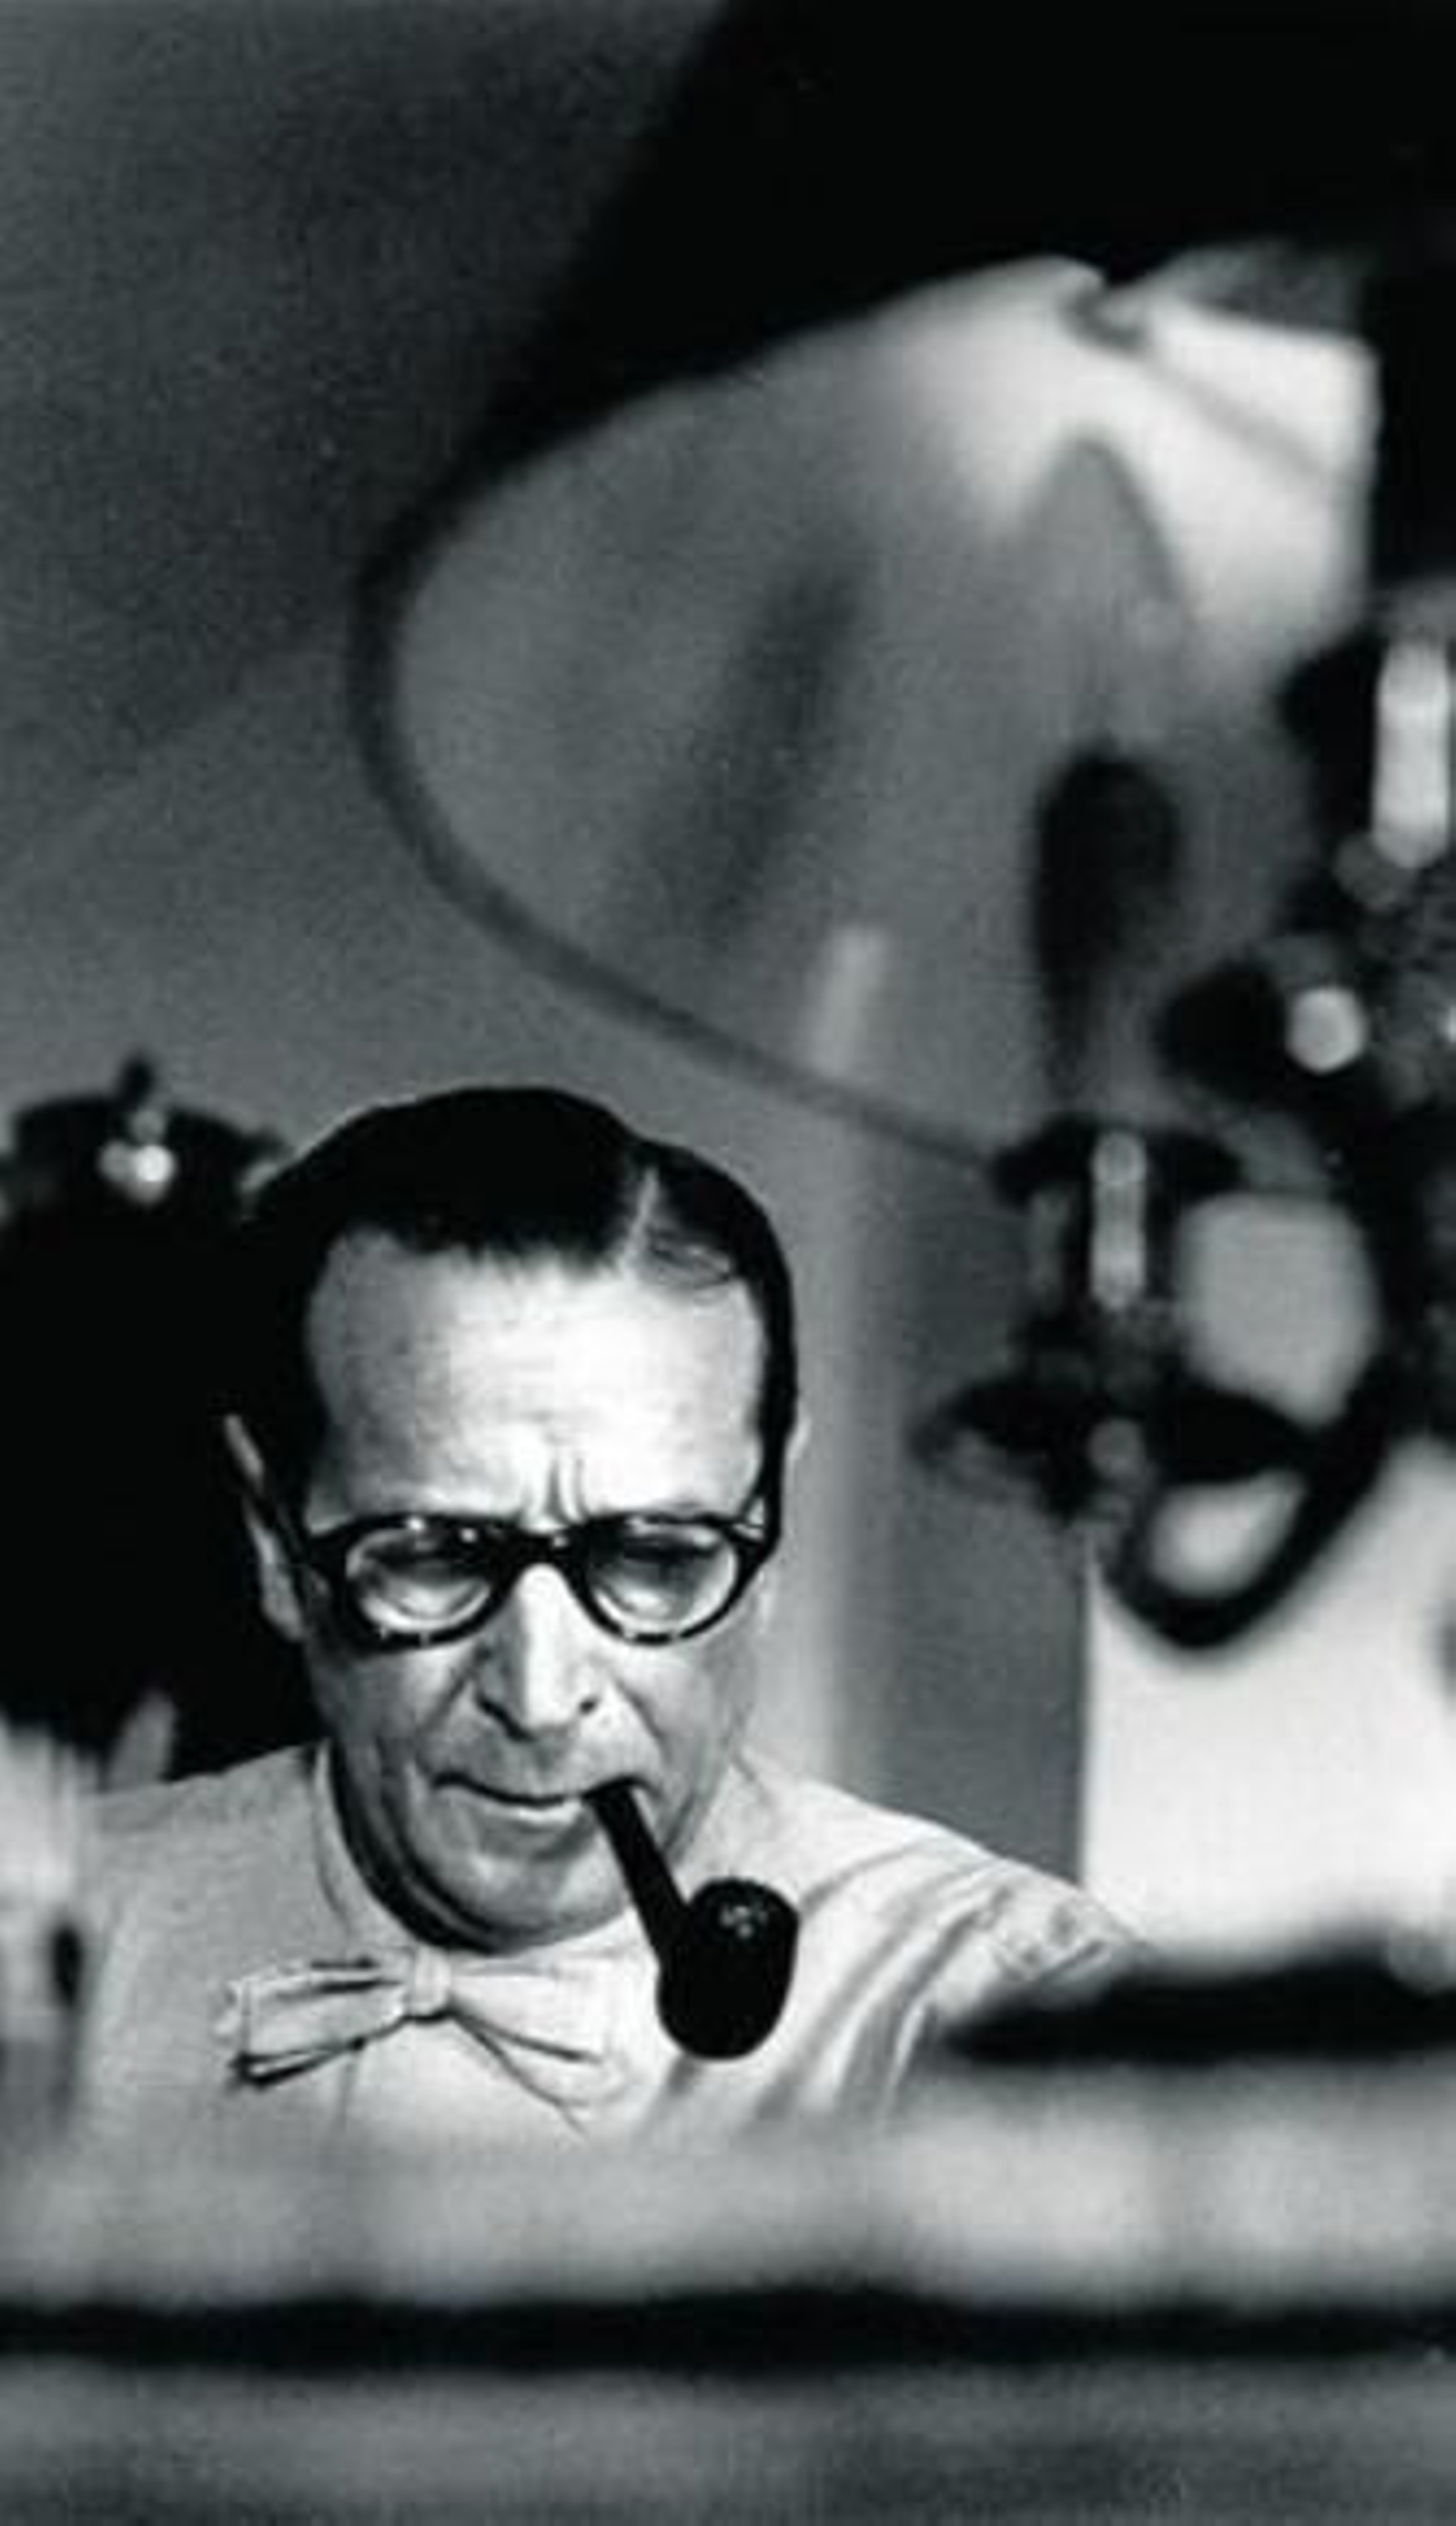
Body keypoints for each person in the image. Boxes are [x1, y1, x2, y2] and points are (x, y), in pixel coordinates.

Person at [79, 1083, 1129, 2149]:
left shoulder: (1011, 2021)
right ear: (273, 1538)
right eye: (432, 1555)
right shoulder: (42, 1952)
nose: (541, 1701)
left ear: (767, 1516)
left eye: (652, 1556)